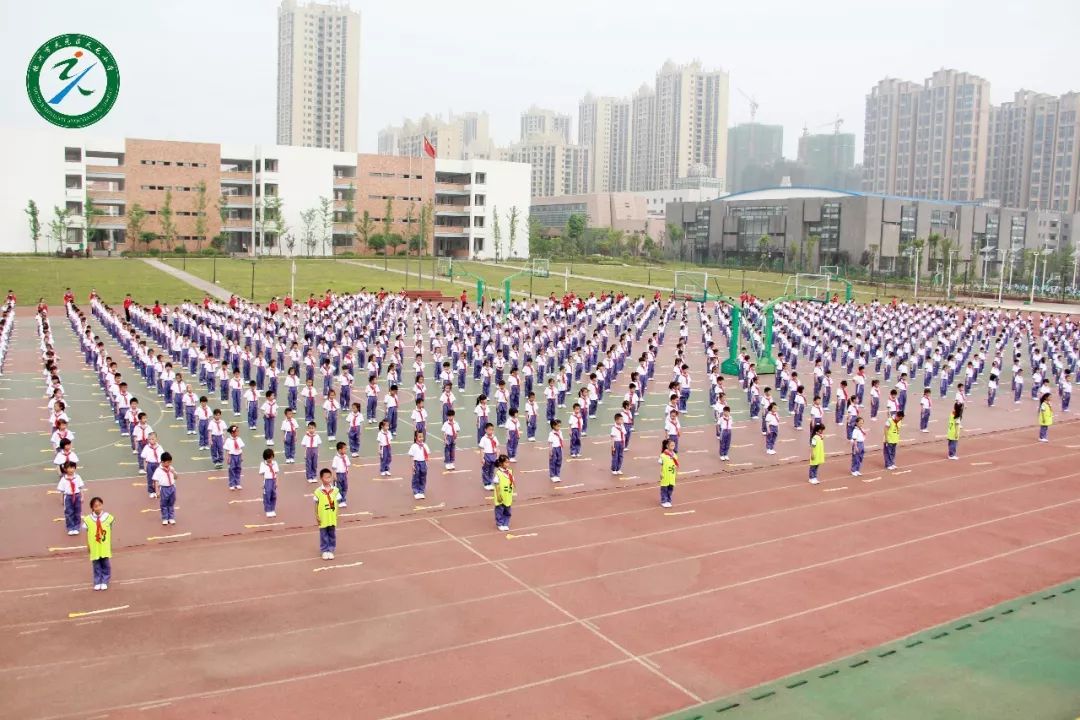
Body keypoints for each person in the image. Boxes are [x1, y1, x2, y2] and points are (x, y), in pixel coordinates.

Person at [84, 496, 114, 591]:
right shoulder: (88, 519)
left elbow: (110, 528)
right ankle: (97, 581)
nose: (98, 507)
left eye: (99, 505)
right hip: (94, 545)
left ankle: (105, 581)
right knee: (96, 564)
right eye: (95, 506)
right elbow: (87, 532)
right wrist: (88, 544)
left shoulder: (108, 517)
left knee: (105, 563)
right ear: (92, 507)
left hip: (104, 545)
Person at [313, 468, 341, 561]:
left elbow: (337, 503)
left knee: (332, 533)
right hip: (323, 516)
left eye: (330, 477)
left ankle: (331, 550)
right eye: (326, 477)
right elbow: (316, 504)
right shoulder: (318, 491)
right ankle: (324, 550)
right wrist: (317, 515)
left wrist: (337, 514)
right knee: (323, 534)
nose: (328, 479)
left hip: (332, 516)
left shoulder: (335, 490)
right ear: (321, 478)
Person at [58, 460, 85, 536]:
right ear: (65, 469)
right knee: (69, 513)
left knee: (77, 512)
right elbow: (62, 491)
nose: (71, 470)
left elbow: (80, 488)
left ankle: (76, 527)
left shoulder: (77, 477)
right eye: (69, 468)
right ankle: (70, 528)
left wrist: (82, 496)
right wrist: (61, 499)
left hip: (77, 496)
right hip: (68, 497)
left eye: (73, 468)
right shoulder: (63, 479)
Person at [152, 451, 178, 525]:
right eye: (168, 462)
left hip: (172, 487)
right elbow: (156, 481)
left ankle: (171, 517)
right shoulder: (158, 470)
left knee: (171, 503)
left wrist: (174, 472)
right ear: (162, 462)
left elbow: (176, 477)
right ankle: (165, 518)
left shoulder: (171, 468)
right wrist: (157, 492)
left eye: (170, 462)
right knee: (164, 504)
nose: (169, 464)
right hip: (164, 488)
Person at [493, 454, 514, 531]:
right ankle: (500, 523)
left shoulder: (510, 471)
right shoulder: (498, 473)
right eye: (506, 462)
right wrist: (498, 495)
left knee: (507, 509)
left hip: (508, 494)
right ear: (501, 464)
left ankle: (506, 523)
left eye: (508, 462)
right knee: (500, 509)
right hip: (501, 494)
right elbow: (497, 485)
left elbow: (511, 481)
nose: (508, 464)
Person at [408, 430, 431, 500]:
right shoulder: (414, 446)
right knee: (416, 477)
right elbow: (411, 455)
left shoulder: (425, 445)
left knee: (423, 477)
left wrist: (427, 463)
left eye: (422, 437)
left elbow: (428, 454)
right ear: (416, 437)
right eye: (419, 437)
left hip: (423, 463)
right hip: (416, 463)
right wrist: (412, 464)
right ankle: (416, 491)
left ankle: (421, 491)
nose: (421, 438)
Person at [259, 448, 280, 517]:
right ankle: (268, 510)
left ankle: (272, 509)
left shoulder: (275, 463)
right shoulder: (263, 464)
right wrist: (263, 483)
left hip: (273, 480)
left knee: (273, 495)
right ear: (265, 458)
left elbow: (276, 473)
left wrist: (276, 482)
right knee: (267, 495)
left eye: (271, 457)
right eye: (268, 458)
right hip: (267, 481)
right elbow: (262, 474)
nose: (270, 459)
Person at [659, 438, 678, 508]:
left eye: (674, 445)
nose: (673, 447)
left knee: (670, 488)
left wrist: (676, 473)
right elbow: (661, 465)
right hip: (665, 474)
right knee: (664, 488)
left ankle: (668, 500)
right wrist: (661, 472)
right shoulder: (663, 455)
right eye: (671, 445)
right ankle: (664, 501)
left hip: (672, 474)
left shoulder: (675, 455)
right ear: (667, 446)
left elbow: (675, 465)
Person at [479, 422, 499, 490]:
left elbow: (497, 447)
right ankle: (486, 483)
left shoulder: (494, 437)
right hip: (487, 455)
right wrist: (482, 458)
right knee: (486, 470)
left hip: (493, 455)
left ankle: (490, 482)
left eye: (492, 429)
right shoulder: (483, 439)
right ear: (485, 430)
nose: (491, 431)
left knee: (492, 470)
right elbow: (482, 449)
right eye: (489, 429)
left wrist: (497, 456)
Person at [225, 425, 245, 490]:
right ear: (232, 433)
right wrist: (228, 457)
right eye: (237, 431)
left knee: (238, 469)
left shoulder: (239, 439)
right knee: (231, 470)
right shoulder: (228, 440)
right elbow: (227, 450)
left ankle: (237, 483)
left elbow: (240, 449)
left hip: (238, 456)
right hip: (232, 456)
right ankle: (232, 484)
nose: (238, 432)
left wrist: (242, 456)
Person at [331, 441, 350, 507]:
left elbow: (347, 465)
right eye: (344, 449)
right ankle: (340, 501)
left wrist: (347, 473)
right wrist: (334, 476)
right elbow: (334, 468)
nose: (346, 450)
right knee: (339, 488)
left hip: (344, 474)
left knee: (345, 487)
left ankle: (343, 499)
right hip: (338, 474)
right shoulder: (336, 458)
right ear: (340, 450)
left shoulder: (346, 457)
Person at [548, 419, 564, 483]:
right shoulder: (551, 434)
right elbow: (550, 443)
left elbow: (561, 439)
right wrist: (550, 451)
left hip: (559, 448)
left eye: (560, 426)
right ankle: (552, 476)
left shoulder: (560, 432)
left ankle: (557, 475)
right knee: (553, 462)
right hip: (554, 448)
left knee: (559, 461)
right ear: (553, 426)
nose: (559, 427)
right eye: (558, 426)